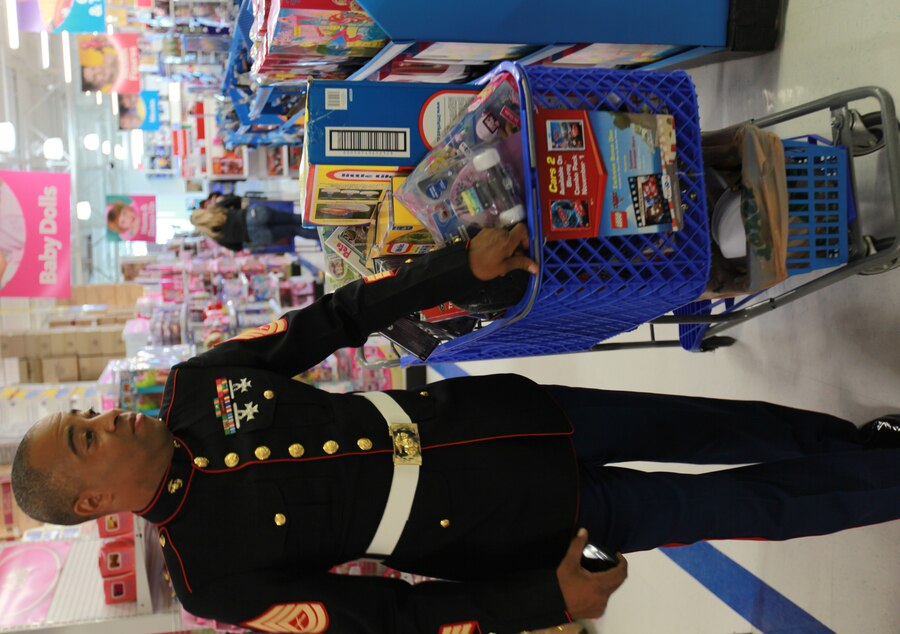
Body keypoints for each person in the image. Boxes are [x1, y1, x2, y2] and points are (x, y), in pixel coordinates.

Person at [11, 224, 900, 634]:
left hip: (510, 416)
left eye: (86, 415)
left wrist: (453, 271)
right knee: (745, 506)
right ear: (93, 503)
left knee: (720, 426)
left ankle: (865, 446)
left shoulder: (197, 385)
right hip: (515, 527)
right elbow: (389, 616)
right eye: (87, 438)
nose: (106, 418)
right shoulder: (211, 579)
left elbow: (333, 320)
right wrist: (544, 603)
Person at [190, 195, 318, 251]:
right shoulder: (215, 209)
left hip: (255, 236)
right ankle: (322, 220)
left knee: (294, 231)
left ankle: (324, 235)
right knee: (293, 218)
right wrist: (235, 211)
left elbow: (237, 248)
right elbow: (235, 199)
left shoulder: (216, 236)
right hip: (252, 216)